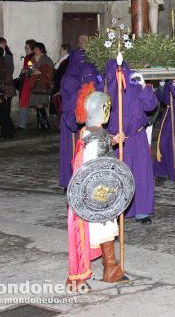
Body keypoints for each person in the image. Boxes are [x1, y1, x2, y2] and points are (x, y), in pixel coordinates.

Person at [66, 83, 127, 293]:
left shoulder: (87, 131)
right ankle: (80, 278)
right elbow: (91, 164)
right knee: (94, 231)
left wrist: (113, 140)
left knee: (106, 230)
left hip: (98, 193)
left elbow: (98, 141)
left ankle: (111, 268)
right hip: (94, 194)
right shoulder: (96, 135)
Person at [106, 60, 159, 224]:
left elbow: (151, 105)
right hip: (117, 141)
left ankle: (141, 210)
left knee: (140, 174)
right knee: (118, 177)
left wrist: (143, 85)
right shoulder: (107, 89)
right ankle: (117, 210)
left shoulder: (135, 86)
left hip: (137, 138)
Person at [59, 49, 101, 189]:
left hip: (90, 120)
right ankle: (71, 181)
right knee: (72, 151)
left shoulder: (91, 74)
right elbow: (70, 99)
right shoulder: (68, 79)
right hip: (72, 119)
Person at [0, 46, 15, 139]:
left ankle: (6, 134)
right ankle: (10, 131)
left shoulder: (2, 64)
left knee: (3, 114)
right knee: (5, 113)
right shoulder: (0, 63)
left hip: (4, 92)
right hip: (4, 92)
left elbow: (5, 79)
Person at [28, 43, 54, 131]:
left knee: (40, 104)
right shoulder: (31, 59)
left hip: (42, 84)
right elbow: (29, 70)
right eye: (34, 49)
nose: (34, 50)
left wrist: (40, 73)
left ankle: (45, 123)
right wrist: (31, 72)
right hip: (34, 84)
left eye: (36, 49)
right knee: (37, 104)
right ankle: (41, 124)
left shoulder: (46, 59)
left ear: (41, 50)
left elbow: (50, 72)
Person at [17, 39, 36, 131]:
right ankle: (22, 123)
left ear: (32, 49)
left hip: (27, 83)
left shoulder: (31, 58)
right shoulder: (28, 57)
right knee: (23, 101)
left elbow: (32, 69)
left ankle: (22, 124)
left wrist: (25, 70)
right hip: (25, 82)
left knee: (24, 101)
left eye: (27, 47)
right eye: (25, 47)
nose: (25, 49)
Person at [51, 43, 71, 118]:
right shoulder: (61, 60)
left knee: (61, 104)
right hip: (57, 84)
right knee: (57, 105)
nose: (59, 51)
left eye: (61, 50)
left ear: (66, 51)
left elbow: (62, 72)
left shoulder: (67, 60)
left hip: (61, 85)